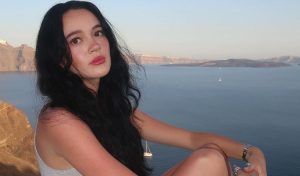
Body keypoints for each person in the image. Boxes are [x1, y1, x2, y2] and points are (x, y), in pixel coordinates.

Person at [34, 1, 267, 176]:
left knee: (212, 154)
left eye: (98, 32)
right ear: (58, 58)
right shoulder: (58, 122)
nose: (94, 45)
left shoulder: (107, 109)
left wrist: (251, 152)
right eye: (76, 40)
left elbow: (190, 138)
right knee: (210, 161)